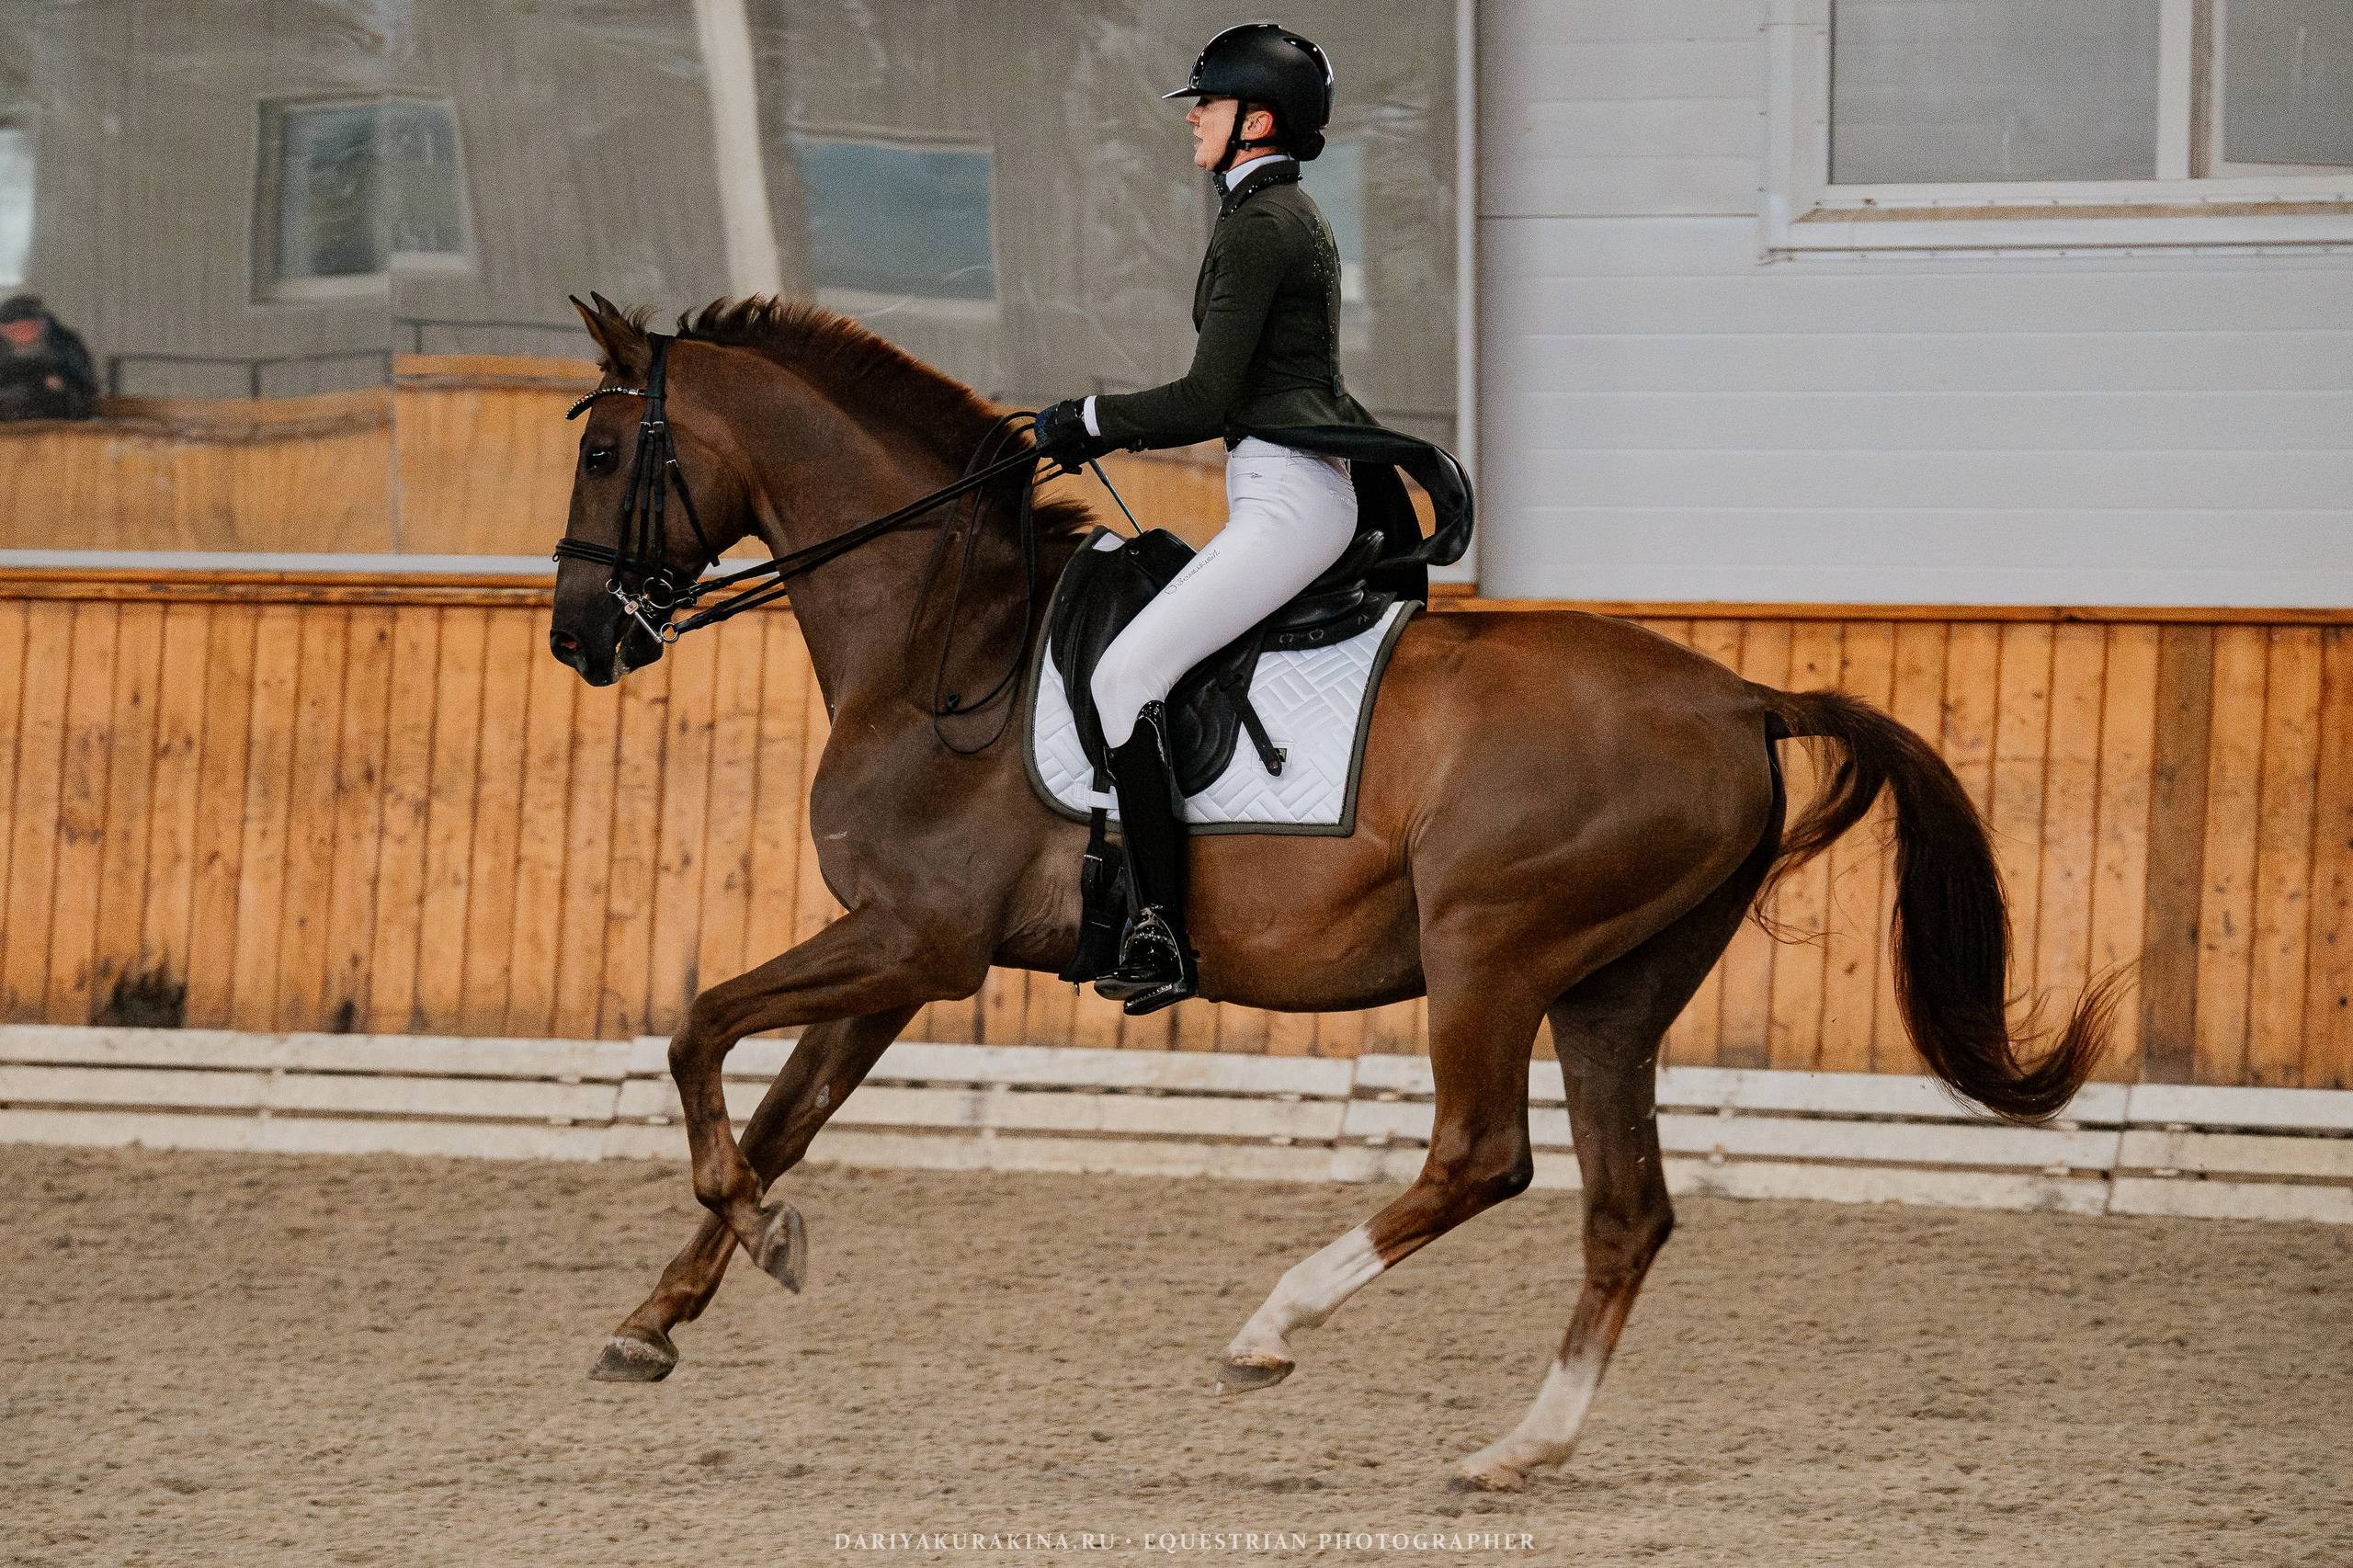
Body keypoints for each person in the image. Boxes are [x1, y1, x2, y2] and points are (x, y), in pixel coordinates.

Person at [1033, 21, 1378, 1016]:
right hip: (1278, 484)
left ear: (1255, 120)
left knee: (1125, 674)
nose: (1192, 122)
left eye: (1207, 107)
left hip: (1289, 497)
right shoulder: (1267, 215)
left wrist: (1085, 420)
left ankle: (1158, 929)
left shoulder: (1265, 226)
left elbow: (1205, 398)